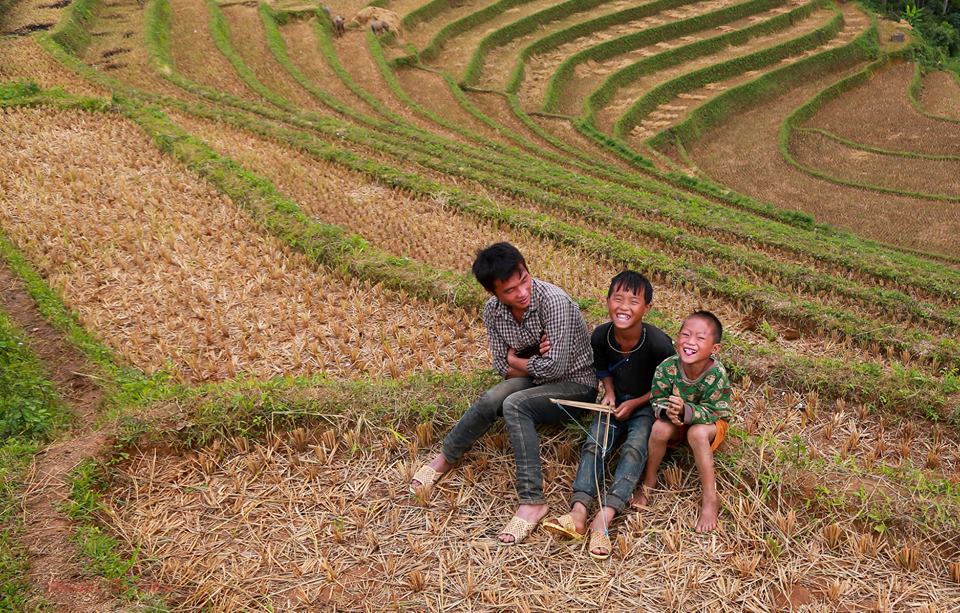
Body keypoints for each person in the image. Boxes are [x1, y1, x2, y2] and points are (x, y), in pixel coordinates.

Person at [409, 242, 597, 545]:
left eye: (524, 280)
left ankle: (533, 501)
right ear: (494, 293)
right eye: (509, 290)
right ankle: (446, 457)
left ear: (526, 268)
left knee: (515, 405)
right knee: (491, 399)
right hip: (537, 380)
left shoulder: (555, 302)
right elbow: (501, 365)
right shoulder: (493, 312)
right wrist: (527, 362)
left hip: (575, 385)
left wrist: (517, 360)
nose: (521, 292)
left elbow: (557, 368)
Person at [542, 271, 674, 559]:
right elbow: (602, 370)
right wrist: (611, 393)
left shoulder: (659, 344)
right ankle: (578, 511)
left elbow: (668, 384)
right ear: (607, 301)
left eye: (633, 301)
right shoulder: (601, 335)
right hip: (614, 402)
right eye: (618, 298)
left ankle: (605, 515)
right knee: (594, 442)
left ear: (646, 309)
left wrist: (637, 402)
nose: (624, 306)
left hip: (647, 405)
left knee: (635, 448)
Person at [631, 311, 733, 533]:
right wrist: (669, 413)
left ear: (715, 349)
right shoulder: (667, 368)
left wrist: (687, 411)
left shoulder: (716, 374)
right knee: (659, 428)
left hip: (709, 424)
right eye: (685, 335)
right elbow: (657, 399)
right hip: (679, 421)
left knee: (696, 433)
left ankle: (709, 498)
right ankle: (649, 481)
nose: (690, 342)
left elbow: (717, 411)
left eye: (700, 338)